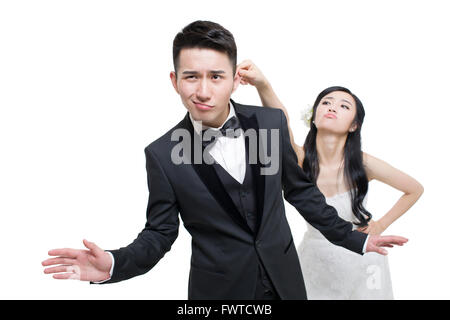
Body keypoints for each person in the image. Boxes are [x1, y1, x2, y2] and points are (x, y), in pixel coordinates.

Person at [41, 21, 408, 300]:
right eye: (191, 77)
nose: (203, 90)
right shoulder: (162, 154)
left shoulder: (270, 122)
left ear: (234, 79)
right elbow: (160, 233)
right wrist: (114, 263)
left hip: (287, 284)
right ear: (174, 80)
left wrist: (354, 240)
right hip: (219, 293)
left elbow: (302, 193)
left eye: (216, 76)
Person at [236, 60, 423, 299]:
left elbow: (414, 189)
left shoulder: (363, 163)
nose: (332, 107)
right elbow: (280, 124)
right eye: (325, 103)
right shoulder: (302, 159)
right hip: (315, 259)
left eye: (344, 106)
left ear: (354, 125)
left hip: (362, 258)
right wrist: (262, 85)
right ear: (314, 117)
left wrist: (380, 225)